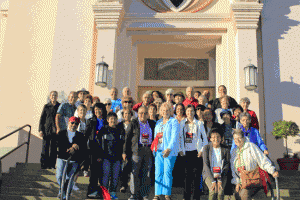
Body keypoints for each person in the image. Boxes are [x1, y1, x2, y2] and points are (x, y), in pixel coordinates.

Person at [231, 129, 279, 200]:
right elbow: (233, 170)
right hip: (242, 182)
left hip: (253, 180)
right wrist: (237, 182)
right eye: (235, 138)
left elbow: (262, 160)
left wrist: (272, 171)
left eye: (239, 138)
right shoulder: (234, 152)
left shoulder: (251, 147)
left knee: (243, 196)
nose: (237, 140)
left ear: (243, 138)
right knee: (237, 195)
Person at [123, 106, 156, 200]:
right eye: (141, 113)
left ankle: (144, 194)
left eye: (145, 113)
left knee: (147, 173)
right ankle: (133, 194)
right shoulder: (133, 123)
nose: (143, 115)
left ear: (148, 114)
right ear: (138, 113)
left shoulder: (152, 123)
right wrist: (124, 152)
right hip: (137, 151)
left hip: (148, 150)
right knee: (135, 173)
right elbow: (127, 138)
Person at [92, 112, 125, 199]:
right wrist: (99, 156)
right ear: (107, 120)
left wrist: (123, 154)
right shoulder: (103, 130)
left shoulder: (120, 130)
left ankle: (113, 193)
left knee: (115, 177)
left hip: (117, 158)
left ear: (117, 120)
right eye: (111, 119)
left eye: (114, 119)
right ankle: (104, 193)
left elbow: (123, 144)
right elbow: (98, 144)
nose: (113, 120)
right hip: (106, 158)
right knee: (105, 176)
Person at [151, 102, 180, 200]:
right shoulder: (158, 122)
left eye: (167, 110)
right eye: (163, 110)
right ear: (160, 112)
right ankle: (157, 194)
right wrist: (154, 149)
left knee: (167, 172)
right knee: (158, 172)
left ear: (171, 111)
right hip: (158, 150)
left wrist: (169, 148)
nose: (165, 112)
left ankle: (167, 194)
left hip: (169, 151)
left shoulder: (174, 121)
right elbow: (155, 137)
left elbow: (174, 136)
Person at [179, 105, 208, 200]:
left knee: (196, 176)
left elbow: (205, 139)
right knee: (187, 176)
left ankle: (196, 197)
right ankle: (186, 197)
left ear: (194, 112)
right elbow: (179, 138)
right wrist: (181, 150)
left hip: (196, 153)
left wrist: (201, 151)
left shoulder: (199, 123)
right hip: (186, 153)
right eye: (188, 111)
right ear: (185, 112)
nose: (190, 113)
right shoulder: (182, 123)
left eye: (191, 111)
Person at [56, 116, 86, 200]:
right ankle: (62, 191)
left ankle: (64, 194)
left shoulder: (80, 136)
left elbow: (83, 150)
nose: (74, 125)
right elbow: (58, 145)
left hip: (74, 160)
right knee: (59, 176)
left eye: (76, 123)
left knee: (69, 179)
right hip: (62, 158)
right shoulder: (61, 133)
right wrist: (70, 148)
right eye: (72, 123)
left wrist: (77, 148)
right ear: (68, 123)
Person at [85, 103, 108, 197]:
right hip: (93, 150)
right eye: (96, 109)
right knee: (94, 173)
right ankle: (91, 192)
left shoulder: (106, 121)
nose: (97, 111)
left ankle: (102, 192)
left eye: (99, 109)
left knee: (103, 173)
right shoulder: (91, 121)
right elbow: (86, 136)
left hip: (105, 150)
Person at [202, 128, 230, 200]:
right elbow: (206, 165)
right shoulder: (206, 148)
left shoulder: (225, 149)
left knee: (220, 192)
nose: (216, 139)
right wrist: (213, 181)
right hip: (209, 173)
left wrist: (220, 180)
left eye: (218, 137)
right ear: (210, 139)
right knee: (213, 190)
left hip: (222, 174)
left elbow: (226, 165)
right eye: (213, 137)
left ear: (221, 138)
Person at [39, 91, 60, 169]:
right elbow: (42, 119)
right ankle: (44, 165)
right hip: (46, 130)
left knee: (54, 148)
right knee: (45, 147)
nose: (54, 97)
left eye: (55, 95)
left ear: (57, 97)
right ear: (50, 97)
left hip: (56, 130)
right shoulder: (46, 106)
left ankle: (51, 165)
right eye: (52, 95)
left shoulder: (59, 106)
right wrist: (40, 130)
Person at [118, 108, 133, 193]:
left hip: (130, 149)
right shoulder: (119, 125)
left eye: (128, 113)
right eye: (125, 114)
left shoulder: (133, 124)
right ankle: (122, 184)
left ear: (131, 115)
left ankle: (126, 185)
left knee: (127, 167)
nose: (126, 115)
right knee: (121, 168)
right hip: (120, 149)